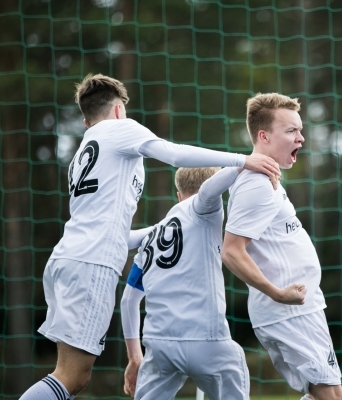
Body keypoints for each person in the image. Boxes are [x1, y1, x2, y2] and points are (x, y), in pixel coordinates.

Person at [20, 74, 280, 400]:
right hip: (93, 263)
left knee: (69, 375)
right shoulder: (120, 129)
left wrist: (159, 230)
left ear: (86, 120)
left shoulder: (82, 154)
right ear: (118, 111)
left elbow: (111, 230)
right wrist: (242, 160)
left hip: (66, 258)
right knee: (71, 378)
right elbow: (173, 154)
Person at [221, 93, 342, 400]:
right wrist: (277, 293)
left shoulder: (267, 176)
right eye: (291, 131)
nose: (300, 138)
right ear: (263, 136)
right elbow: (231, 250)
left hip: (303, 308)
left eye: (300, 130)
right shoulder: (256, 184)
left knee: (330, 396)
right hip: (287, 311)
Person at [120, 166, 251, 400]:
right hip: (207, 341)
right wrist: (246, 162)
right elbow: (209, 191)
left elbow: (129, 300)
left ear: (178, 194)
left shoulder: (151, 238)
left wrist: (134, 357)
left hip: (159, 346)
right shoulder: (206, 206)